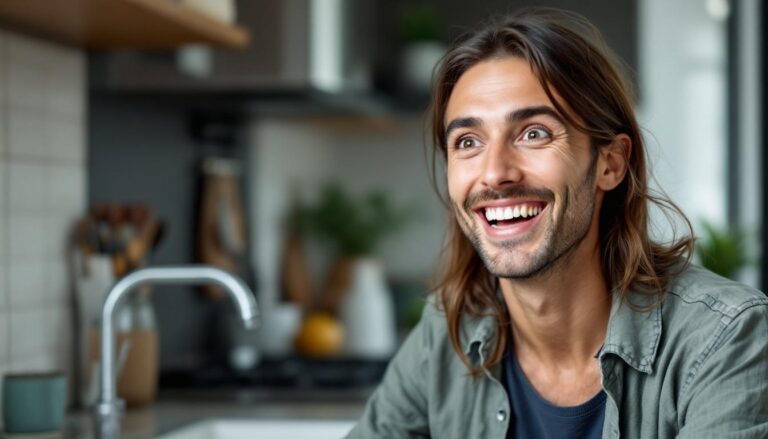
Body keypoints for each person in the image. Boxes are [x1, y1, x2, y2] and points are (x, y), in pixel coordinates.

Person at [347, 8, 768, 439]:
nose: (494, 173)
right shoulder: (447, 334)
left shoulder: (725, 338)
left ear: (610, 164)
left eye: (534, 133)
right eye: (468, 142)